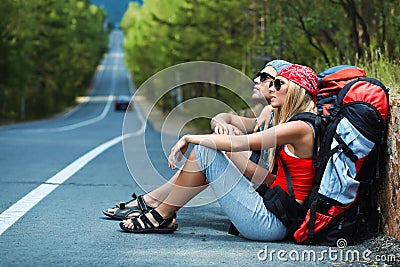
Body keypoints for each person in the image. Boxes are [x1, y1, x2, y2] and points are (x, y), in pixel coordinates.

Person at [119, 64, 319, 241]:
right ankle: (162, 212)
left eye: (278, 84)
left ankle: (162, 214)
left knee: (205, 150)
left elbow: (240, 142)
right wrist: (223, 141)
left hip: (271, 223)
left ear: (295, 90)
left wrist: (189, 138)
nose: (272, 89)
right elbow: (271, 180)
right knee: (206, 151)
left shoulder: (299, 128)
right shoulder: (298, 125)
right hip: (274, 214)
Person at [102, 60, 291, 220]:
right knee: (210, 149)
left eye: (265, 78)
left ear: (283, 85)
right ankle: (156, 202)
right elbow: (224, 117)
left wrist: (224, 145)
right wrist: (221, 126)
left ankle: (156, 206)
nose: (256, 80)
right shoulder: (268, 116)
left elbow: (271, 180)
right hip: (259, 196)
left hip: (268, 209)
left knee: (208, 151)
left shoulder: (286, 124)